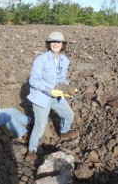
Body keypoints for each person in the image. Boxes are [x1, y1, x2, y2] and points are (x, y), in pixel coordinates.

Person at [26, 31, 79, 162]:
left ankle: (64, 131)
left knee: (69, 115)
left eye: (58, 42)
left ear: (63, 44)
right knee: (40, 128)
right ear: (49, 44)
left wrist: (68, 88)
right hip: (41, 97)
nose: (55, 44)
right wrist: (48, 90)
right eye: (53, 42)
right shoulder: (41, 59)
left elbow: (62, 79)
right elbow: (33, 81)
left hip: (56, 95)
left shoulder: (64, 60)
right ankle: (31, 150)